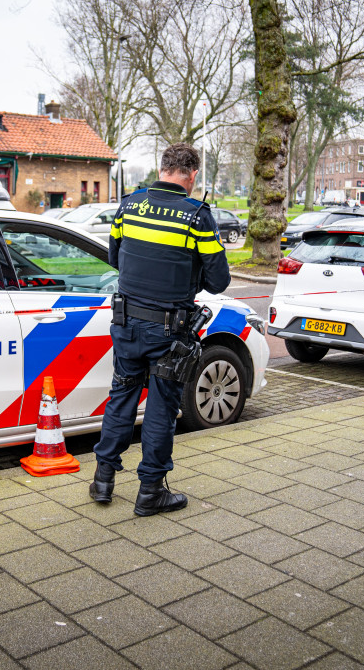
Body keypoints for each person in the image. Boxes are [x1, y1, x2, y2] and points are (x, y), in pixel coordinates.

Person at [90, 143, 231, 515]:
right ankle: (150, 492)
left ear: (163, 167)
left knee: (121, 396)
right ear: (192, 175)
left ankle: (103, 480)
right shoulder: (196, 216)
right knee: (161, 409)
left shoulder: (129, 205)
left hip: (126, 323)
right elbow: (218, 282)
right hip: (169, 331)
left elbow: (115, 258)